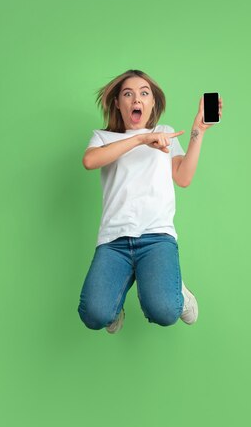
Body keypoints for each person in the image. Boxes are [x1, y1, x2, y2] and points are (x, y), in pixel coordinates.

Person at [77, 69, 223, 333]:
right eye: (128, 94)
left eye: (144, 94)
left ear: (152, 103)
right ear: (117, 103)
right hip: (113, 243)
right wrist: (141, 138)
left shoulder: (164, 133)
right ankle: (114, 305)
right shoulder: (103, 138)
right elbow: (90, 161)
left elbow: (183, 177)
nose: (137, 99)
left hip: (156, 238)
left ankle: (175, 289)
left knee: (165, 311)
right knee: (94, 315)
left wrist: (198, 131)